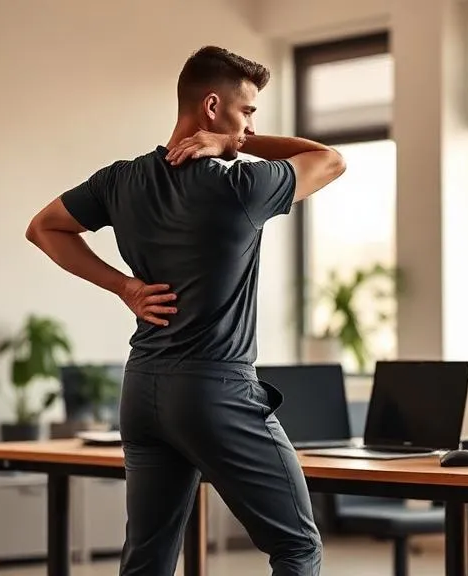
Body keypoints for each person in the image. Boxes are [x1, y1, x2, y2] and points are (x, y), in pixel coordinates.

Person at [26, 45, 346, 576]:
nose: (247, 130)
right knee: (297, 546)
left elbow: (43, 227)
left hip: (144, 389)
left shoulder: (121, 180)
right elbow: (330, 159)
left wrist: (123, 287)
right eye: (246, 114)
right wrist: (234, 144)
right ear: (213, 106)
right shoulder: (240, 186)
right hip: (215, 390)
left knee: (148, 557)